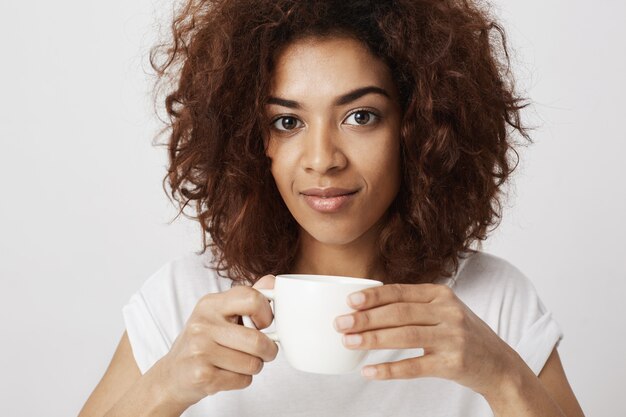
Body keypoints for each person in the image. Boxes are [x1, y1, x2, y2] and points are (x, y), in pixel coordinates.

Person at [78, 0, 586, 416]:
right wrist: (165, 387)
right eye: (287, 122)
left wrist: (503, 378)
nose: (322, 160)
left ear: (421, 128)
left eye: (360, 116)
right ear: (250, 141)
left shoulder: (494, 301)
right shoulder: (184, 299)